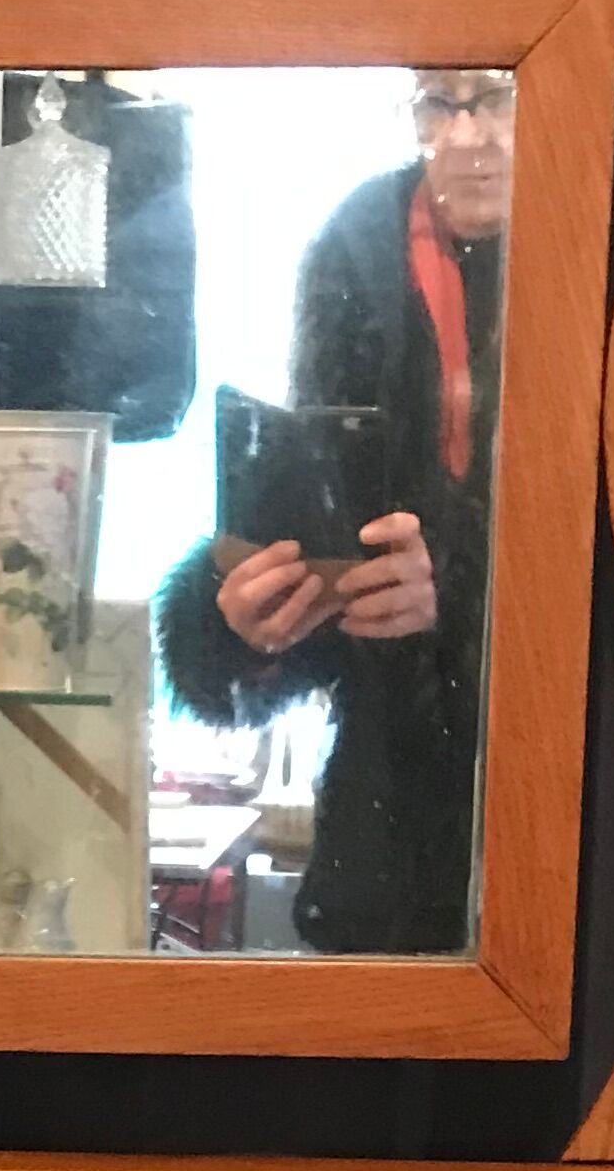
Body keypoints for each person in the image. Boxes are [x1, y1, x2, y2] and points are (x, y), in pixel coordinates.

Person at [155, 69, 511, 951]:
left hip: (559, 811)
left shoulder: (592, 235)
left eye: (494, 97)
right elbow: (329, 532)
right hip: (384, 837)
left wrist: (457, 599)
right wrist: (244, 621)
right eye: (438, 103)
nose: (466, 135)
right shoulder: (363, 243)